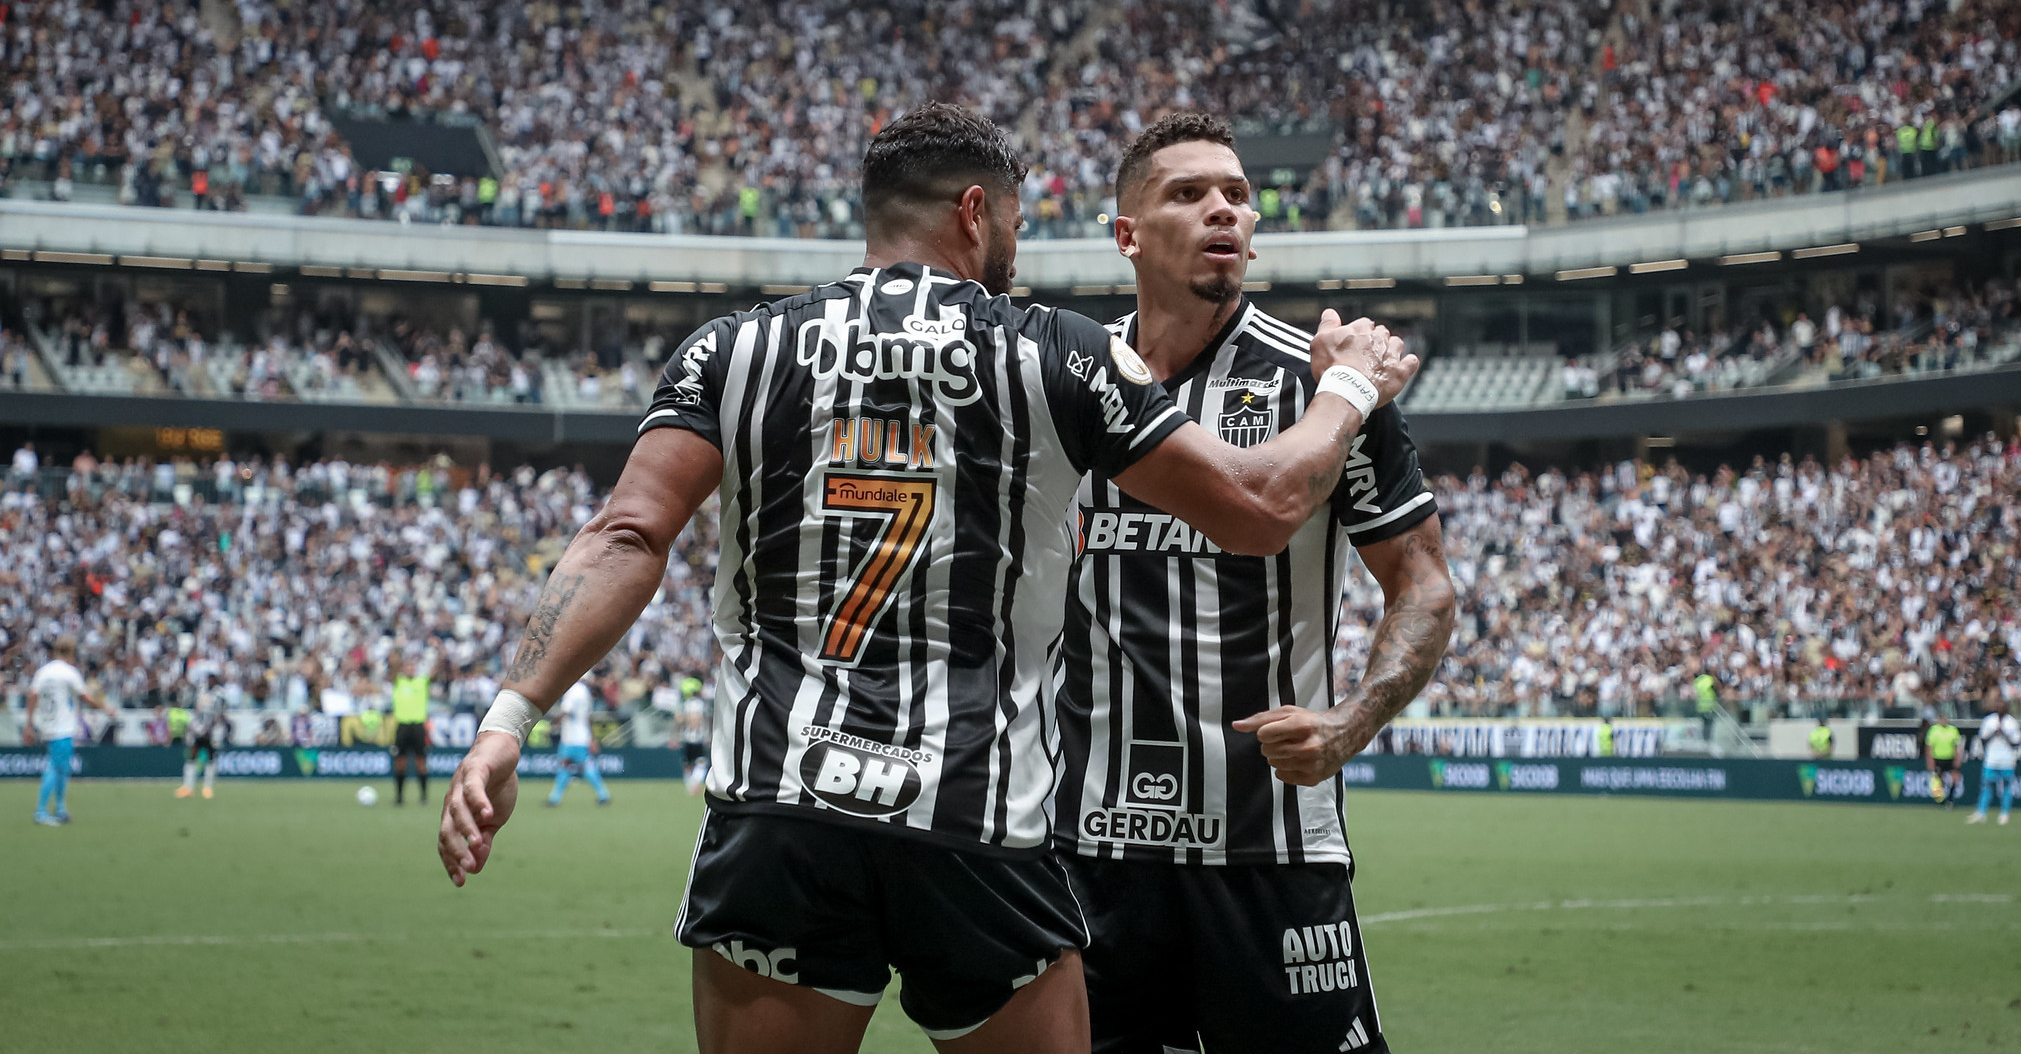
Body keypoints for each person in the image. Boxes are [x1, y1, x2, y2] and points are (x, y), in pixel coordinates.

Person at [437, 102, 1415, 1054]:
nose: (1017, 252)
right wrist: (1346, 389)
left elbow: (624, 536)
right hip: (975, 815)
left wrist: (507, 721)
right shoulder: (1053, 353)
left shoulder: (734, 349)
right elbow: (1258, 511)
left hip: (784, 811)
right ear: (973, 214)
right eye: (1016, 226)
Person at [1054, 114, 1456, 1054]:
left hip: (1270, 842)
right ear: (1126, 235)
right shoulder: (1067, 382)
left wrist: (1352, 720)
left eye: (1236, 194)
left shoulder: (1321, 386)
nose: (1223, 210)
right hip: (1088, 849)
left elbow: (1424, 584)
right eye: (1188, 193)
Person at [25, 636, 108, 825]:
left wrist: (29, 724)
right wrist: (105, 708)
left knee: (62, 768)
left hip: (47, 724)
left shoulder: (43, 672)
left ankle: (60, 809)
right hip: (62, 727)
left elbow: (32, 696)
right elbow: (85, 697)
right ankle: (41, 811)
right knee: (55, 767)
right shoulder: (70, 673)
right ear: (70, 652)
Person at [546, 679, 611, 807]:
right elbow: (588, 718)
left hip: (571, 737)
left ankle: (555, 798)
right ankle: (602, 794)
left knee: (566, 765)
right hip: (581, 736)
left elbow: (567, 711)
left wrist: (553, 722)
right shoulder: (585, 692)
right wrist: (590, 737)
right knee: (583, 765)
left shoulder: (574, 691)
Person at [1969, 696, 2021, 825]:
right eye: (1998, 705)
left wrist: (2005, 734)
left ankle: (2004, 813)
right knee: (1986, 786)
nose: (2000, 708)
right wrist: (1994, 733)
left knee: (2006, 787)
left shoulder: (2012, 722)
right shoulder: (1989, 721)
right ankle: (1981, 813)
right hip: (1991, 759)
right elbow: (1982, 739)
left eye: (2002, 705)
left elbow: (2016, 743)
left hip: (2007, 760)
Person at [177, 674, 229, 800]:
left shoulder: (219, 695)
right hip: (199, 730)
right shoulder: (202, 694)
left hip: (212, 732)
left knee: (211, 758)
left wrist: (210, 729)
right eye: (207, 680)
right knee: (192, 756)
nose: (209, 683)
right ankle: (188, 787)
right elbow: (197, 711)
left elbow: (219, 714)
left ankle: (207, 787)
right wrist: (195, 727)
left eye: (211, 680)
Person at [390, 653, 431, 806]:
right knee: (400, 762)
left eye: (412, 667)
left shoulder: (422, 682)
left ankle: (424, 796)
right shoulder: (398, 681)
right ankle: (399, 797)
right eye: (407, 666)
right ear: (403, 669)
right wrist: (396, 658)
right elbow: (392, 672)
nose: (410, 669)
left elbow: (435, 673)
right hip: (403, 726)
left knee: (421, 762)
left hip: (418, 726)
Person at [1925, 713, 1963, 807]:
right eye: (1941, 719)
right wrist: (1930, 761)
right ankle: (1942, 799)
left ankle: (1950, 798)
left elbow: (1957, 746)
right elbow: (1929, 746)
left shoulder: (1953, 730)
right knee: (1939, 779)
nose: (1943, 721)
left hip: (1950, 758)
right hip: (1938, 758)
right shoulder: (1934, 730)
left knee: (1954, 778)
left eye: (1945, 719)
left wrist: (1958, 758)